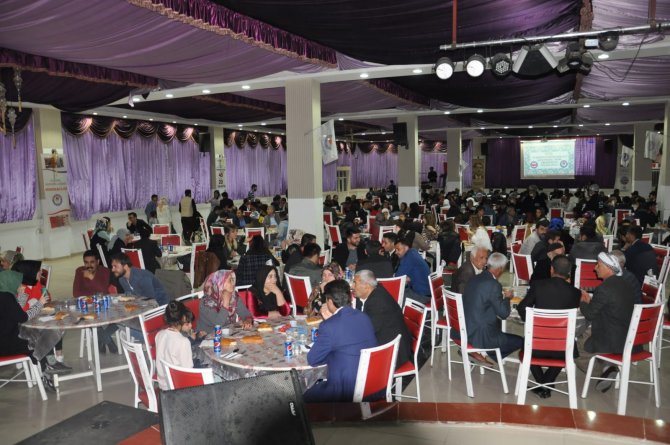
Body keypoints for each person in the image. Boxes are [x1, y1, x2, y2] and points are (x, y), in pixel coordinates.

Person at [516, 255, 581, 398]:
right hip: (562, 348)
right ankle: (546, 383)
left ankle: (543, 384)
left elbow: (522, 307)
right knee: (566, 348)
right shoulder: (575, 293)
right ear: (569, 272)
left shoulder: (538, 286)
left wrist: (533, 324)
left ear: (551, 269)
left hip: (537, 346)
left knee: (526, 345)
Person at [303, 280, 377, 402]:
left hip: (345, 390)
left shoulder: (329, 326)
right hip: (372, 383)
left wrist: (329, 321)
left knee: (304, 395)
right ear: (350, 297)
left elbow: (313, 359)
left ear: (330, 302)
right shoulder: (364, 316)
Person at [577, 252, 635, 392]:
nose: (595, 268)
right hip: (628, 335)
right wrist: (591, 303)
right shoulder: (626, 284)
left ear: (608, 268)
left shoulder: (604, 288)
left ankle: (605, 371)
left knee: (576, 349)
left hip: (610, 337)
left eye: (598, 265)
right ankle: (607, 365)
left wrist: (583, 301)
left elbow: (590, 314)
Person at [462, 252, 522, 364]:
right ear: (500, 269)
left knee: (498, 326)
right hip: (481, 335)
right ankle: (486, 352)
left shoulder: (474, 278)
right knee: (521, 341)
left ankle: (485, 354)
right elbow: (504, 314)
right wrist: (507, 298)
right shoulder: (493, 284)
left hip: (466, 328)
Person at [352, 270, 412, 368]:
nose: (352, 286)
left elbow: (367, 332)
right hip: (394, 344)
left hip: (393, 353)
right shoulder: (377, 290)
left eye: (355, 283)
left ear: (366, 285)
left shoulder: (376, 302)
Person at [73, 250, 118, 353]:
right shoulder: (79, 271)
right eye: (86, 262)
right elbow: (75, 293)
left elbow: (103, 291)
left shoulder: (105, 271)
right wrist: (93, 297)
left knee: (119, 320)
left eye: (92, 262)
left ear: (98, 262)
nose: (89, 265)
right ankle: (107, 340)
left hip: (104, 305)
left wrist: (91, 277)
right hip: (87, 306)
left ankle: (103, 338)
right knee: (86, 317)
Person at [0, 270, 48, 361]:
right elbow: (23, 317)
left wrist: (21, 295)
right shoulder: (7, 297)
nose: (20, 285)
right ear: (11, 282)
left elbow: (18, 313)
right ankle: (45, 366)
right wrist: (40, 303)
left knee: (35, 335)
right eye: (18, 282)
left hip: (5, 339)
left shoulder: (5, 294)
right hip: (6, 345)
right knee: (39, 340)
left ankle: (47, 364)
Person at [155, 300, 196, 390]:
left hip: (164, 385)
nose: (191, 326)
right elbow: (189, 372)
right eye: (187, 323)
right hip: (178, 388)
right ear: (178, 323)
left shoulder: (159, 335)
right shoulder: (183, 342)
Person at [394, 236, 431, 304]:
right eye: (395, 250)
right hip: (426, 293)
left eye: (398, 249)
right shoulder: (413, 252)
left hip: (422, 296)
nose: (396, 252)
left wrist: (404, 278)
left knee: (395, 295)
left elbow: (397, 278)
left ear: (406, 247)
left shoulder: (409, 257)